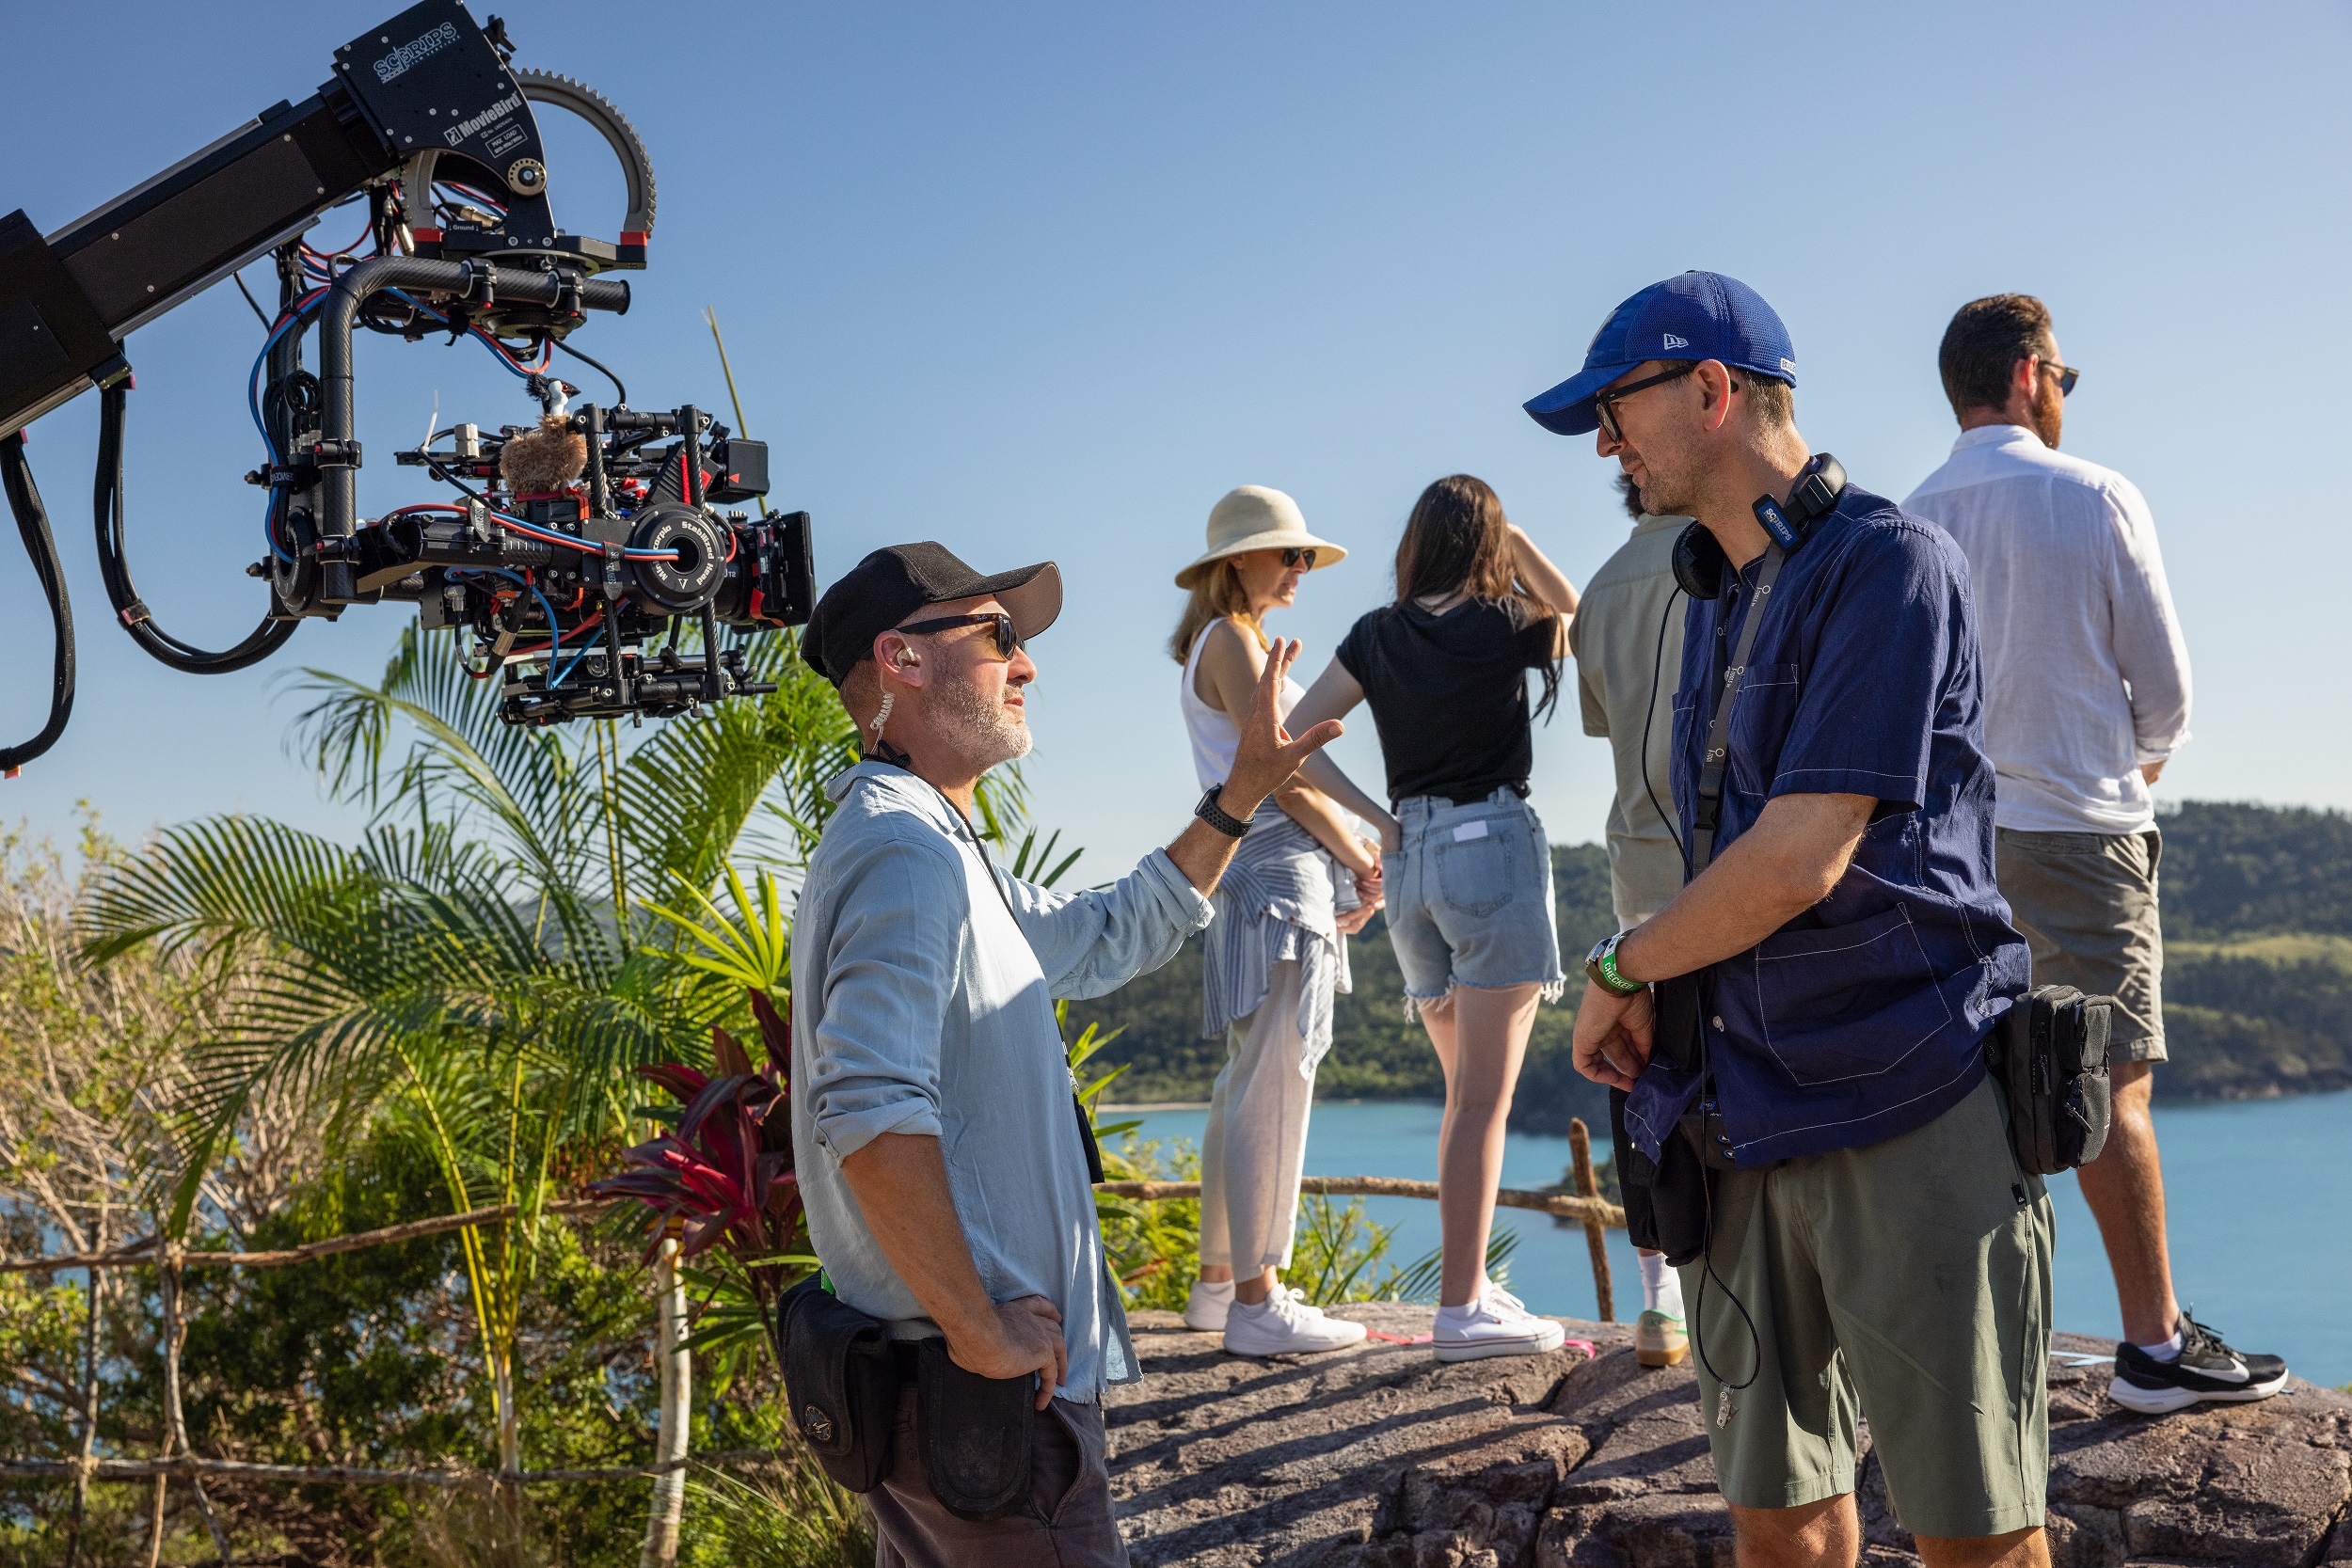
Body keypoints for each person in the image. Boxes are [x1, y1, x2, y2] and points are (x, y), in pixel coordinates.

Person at [1532, 270, 2051, 1568]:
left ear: (1713, 388)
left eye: (1616, 408)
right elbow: (1731, 856)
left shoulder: (1887, 562)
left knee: (1977, 1535)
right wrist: (1665, 987)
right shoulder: (1714, 588)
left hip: (1904, 1096)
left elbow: (1797, 857)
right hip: (1739, 1106)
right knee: (1778, 1524)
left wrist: (1621, 965)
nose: (1604, 444)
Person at [789, 541, 1343, 1567]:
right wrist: (980, 1331)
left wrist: (1239, 793)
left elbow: (1107, 934)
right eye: (998, 635)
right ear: (901, 659)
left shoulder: (936, 845)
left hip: (949, 1392)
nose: (1027, 663)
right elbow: (867, 1109)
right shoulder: (905, 851)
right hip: (980, 1393)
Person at [1904, 293, 2286, 1414]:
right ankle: (2154, 1348)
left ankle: (1974, 1356)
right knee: (2111, 1086)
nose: (2064, 394)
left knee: (1976, 1094)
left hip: (1950, 846)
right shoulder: (2094, 495)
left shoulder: (1910, 520)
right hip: (2079, 830)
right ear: (2029, 375)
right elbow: (2164, 694)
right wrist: (2130, 765)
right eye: (2063, 376)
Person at [1285, 474, 1581, 1362]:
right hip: (1491, 850)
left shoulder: (1377, 633)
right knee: (1485, 1101)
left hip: (1410, 861)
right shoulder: (1504, 620)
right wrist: (1517, 542)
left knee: (1463, 1099)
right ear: (1486, 542)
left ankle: (1470, 1287)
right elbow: (1579, 613)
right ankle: (1460, 1310)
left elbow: (1293, 735)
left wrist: (1378, 822)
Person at [1169, 486, 1384, 1356]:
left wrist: (1353, 846)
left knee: (1248, 1078)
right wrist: (1368, 842)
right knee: (1276, 1078)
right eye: (1287, 552)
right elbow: (1281, 778)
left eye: (1304, 555)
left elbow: (1281, 774)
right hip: (1275, 871)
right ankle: (1259, 1298)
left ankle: (1220, 1284)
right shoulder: (1233, 640)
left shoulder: (1228, 641)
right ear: (1237, 560)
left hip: (1255, 868)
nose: (1300, 567)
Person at [1565, 471, 1693, 1370]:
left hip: (1637, 869)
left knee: (1643, 1072)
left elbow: (1604, 724)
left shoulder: (1600, 591)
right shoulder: (1736, 559)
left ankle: (1662, 1303)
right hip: (1733, 864)